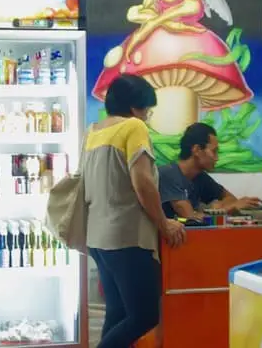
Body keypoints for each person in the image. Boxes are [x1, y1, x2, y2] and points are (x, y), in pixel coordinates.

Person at [84, 74, 186, 348]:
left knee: (118, 314)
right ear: (134, 108)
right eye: (146, 110)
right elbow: (142, 182)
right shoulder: (133, 127)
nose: (147, 117)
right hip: (127, 236)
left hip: (98, 236)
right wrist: (164, 224)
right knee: (145, 315)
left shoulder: (94, 132)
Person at [158, 122, 262, 219]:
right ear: (197, 150)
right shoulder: (168, 174)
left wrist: (218, 208)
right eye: (214, 151)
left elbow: (231, 199)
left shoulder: (200, 177)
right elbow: (190, 217)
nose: (217, 158)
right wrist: (227, 209)